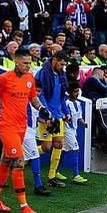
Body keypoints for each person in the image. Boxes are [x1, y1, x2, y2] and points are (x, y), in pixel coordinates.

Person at [0, 49, 51, 213]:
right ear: (16, 62)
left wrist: (42, 108)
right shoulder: (4, 79)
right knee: (19, 160)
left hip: (21, 127)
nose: (28, 66)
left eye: (29, 63)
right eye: (25, 63)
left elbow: (33, 99)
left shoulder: (30, 78)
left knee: (6, 160)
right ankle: (24, 206)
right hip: (6, 127)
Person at [37, 50, 72, 188]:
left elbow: (62, 97)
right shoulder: (42, 73)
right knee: (46, 147)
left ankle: (51, 177)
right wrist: (46, 113)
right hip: (46, 117)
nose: (62, 67)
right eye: (61, 64)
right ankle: (26, 155)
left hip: (58, 116)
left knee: (58, 144)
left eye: (64, 65)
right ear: (55, 59)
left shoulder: (61, 75)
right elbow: (39, 95)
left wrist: (66, 112)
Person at [61, 85, 88, 184]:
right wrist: (66, 119)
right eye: (75, 91)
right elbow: (63, 117)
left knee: (64, 150)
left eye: (78, 91)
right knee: (76, 149)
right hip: (67, 130)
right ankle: (75, 175)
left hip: (73, 130)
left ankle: (56, 172)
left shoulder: (78, 104)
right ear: (69, 93)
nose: (77, 94)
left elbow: (78, 117)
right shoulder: (66, 104)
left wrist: (83, 123)